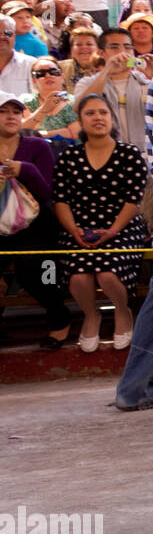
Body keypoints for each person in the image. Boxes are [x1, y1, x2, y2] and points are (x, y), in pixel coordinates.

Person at [50, 93, 150, 351]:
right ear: (81, 121)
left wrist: (114, 229)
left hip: (122, 227)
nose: (98, 118)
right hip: (78, 227)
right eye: (90, 113)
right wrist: (73, 230)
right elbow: (60, 199)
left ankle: (122, 311)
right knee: (79, 276)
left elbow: (134, 199)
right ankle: (91, 315)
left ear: (112, 118)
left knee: (107, 272)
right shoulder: (69, 157)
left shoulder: (129, 155)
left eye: (103, 112)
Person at [0, 90, 73, 347]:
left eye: (16, 111)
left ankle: (59, 320)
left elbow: (46, 194)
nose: (11, 116)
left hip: (36, 224)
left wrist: (25, 170)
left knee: (35, 270)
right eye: (3, 111)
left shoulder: (38, 146)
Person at [72, 28, 150, 153]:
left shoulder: (145, 82)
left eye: (127, 47)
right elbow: (79, 108)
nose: (122, 52)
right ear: (101, 53)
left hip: (145, 155)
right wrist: (107, 71)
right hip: (104, 155)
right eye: (114, 47)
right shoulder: (87, 83)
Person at [20, 57, 78, 139]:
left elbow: (74, 133)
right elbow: (21, 131)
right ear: (34, 81)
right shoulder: (26, 100)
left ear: (62, 76)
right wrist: (44, 109)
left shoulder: (75, 101)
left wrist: (39, 134)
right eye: (41, 73)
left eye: (53, 72)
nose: (48, 76)